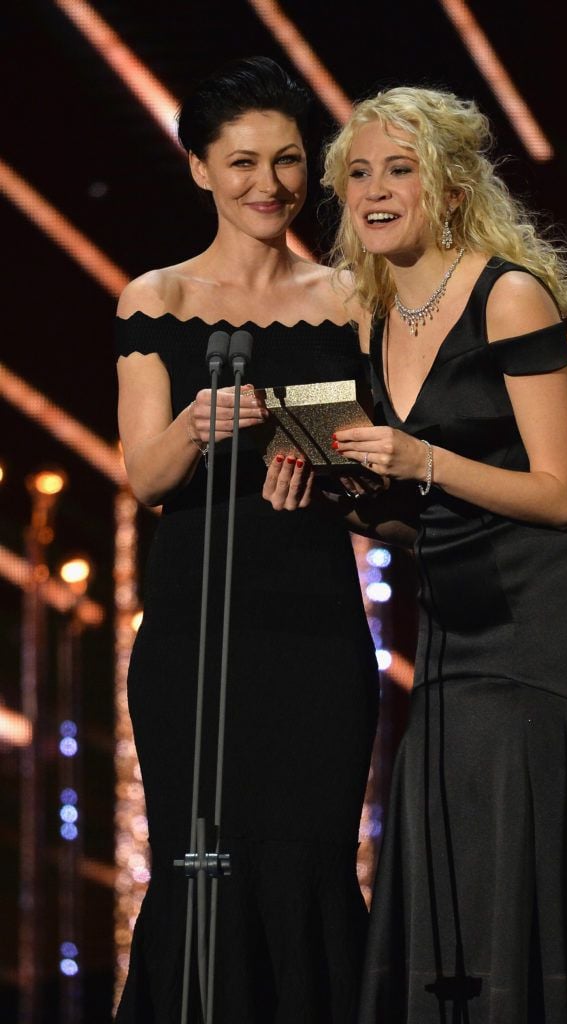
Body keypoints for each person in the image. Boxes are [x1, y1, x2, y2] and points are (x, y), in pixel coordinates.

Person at [317, 86, 567, 1023]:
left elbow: (559, 493)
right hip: (451, 625)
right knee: (455, 860)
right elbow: (420, 512)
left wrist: (422, 457)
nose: (376, 190)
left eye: (401, 169)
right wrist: (343, 497)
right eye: (358, 173)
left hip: (540, 625)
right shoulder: (374, 316)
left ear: (452, 185)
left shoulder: (508, 295)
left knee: (526, 859)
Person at [114, 57, 380, 1024]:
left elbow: (379, 477)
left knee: (309, 855)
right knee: (202, 858)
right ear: (200, 169)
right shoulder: (158, 300)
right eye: (241, 163)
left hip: (313, 628)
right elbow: (145, 477)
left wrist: (334, 476)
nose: (267, 185)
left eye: (287, 161)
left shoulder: (352, 299)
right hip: (195, 631)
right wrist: (195, 422)